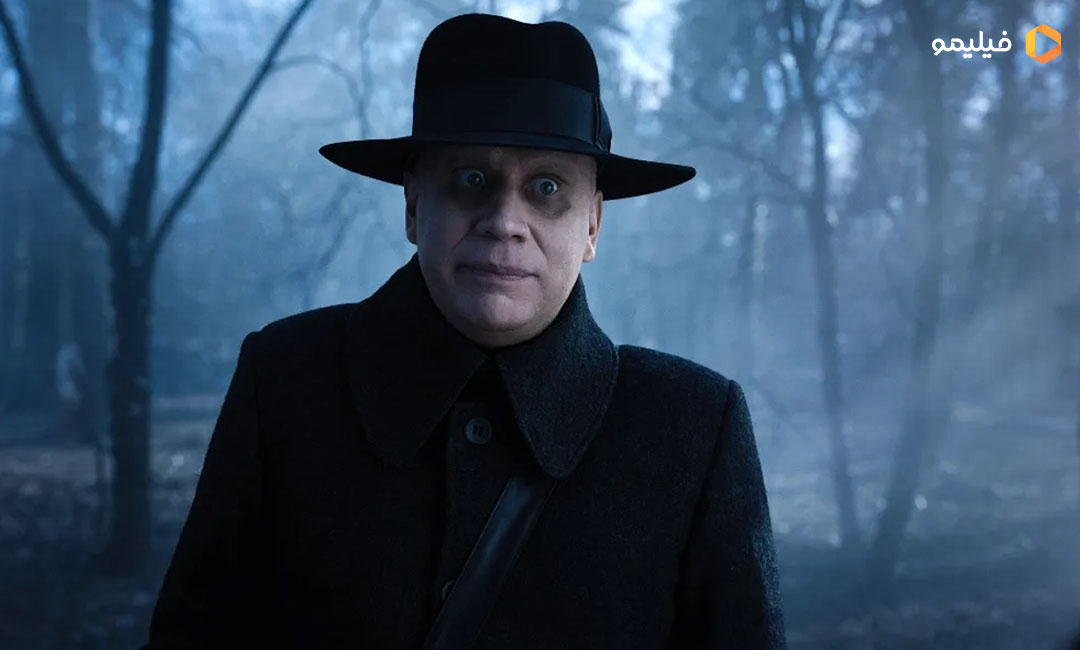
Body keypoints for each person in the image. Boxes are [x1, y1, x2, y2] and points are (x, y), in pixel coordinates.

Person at [141, 12, 786, 650]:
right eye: (471, 180)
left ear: (592, 225)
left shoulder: (694, 427)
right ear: (414, 205)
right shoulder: (285, 381)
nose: (504, 220)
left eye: (546, 186)